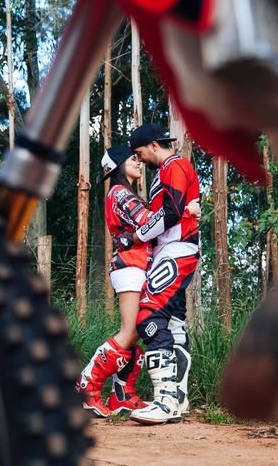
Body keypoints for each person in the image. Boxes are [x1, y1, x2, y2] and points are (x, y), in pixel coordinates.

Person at [76, 144, 200, 417]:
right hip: (131, 263)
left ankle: (123, 395)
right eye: (133, 159)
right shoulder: (120, 193)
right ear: (118, 166)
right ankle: (86, 386)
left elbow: (153, 223)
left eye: (138, 157)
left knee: (138, 332)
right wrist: (186, 209)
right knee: (131, 331)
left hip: (138, 263)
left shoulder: (125, 193)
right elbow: (151, 221)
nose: (139, 162)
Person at [117, 123, 201, 425]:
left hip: (177, 249)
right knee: (174, 322)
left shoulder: (172, 165)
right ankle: (177, 400)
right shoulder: (168, 170)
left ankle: (165, 401)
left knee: (149, 316)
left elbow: (171, 212)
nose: (140, 159)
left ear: (154, 145)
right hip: (174, 249)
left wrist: (136, 237)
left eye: (140, 153)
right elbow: (174, 210)